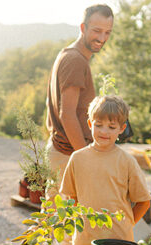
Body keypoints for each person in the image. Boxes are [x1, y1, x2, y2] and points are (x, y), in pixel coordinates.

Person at [59, 96, 151, 245]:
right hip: (84, 243)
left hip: (118, 243)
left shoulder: (127, 161)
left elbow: (143, 202)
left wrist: (125, 225)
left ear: (122, 129)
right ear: (89, 124)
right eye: (98, 124)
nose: (104, 131)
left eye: (112, 127)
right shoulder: (77, 158)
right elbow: (72, 198)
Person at [46, 4, 114, 195]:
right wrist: (86, 157)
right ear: (83, 28)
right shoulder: (75, 60)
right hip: (67, 156)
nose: (102, 38)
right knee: (60, 221)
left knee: (59, 220)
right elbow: (66, 114)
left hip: (64, 153)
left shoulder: (68, 55)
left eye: (107, 32)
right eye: (97, 31)